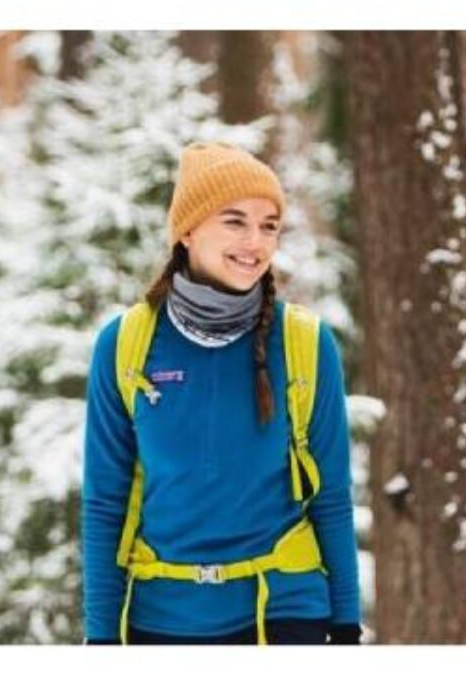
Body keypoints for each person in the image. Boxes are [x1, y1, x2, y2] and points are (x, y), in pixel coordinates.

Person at [82, 142, 361, 645]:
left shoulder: (305, 344)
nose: (254, 241)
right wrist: (100, 638)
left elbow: (333, 497)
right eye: (235, 221)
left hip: (283, 613)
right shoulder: (126, 346)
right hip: (160, 618)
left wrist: (345, 629)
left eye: (269, 225)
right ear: (187, 231)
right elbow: (106, 503)